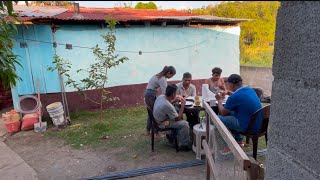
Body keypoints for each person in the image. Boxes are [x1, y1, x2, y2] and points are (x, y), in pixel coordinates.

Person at [215, 74, 262, 154]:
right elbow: (239, 97)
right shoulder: (249, 89)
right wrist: (229, 92)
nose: (227, 86)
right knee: (232, 113)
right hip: (257, 123)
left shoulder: (235, 97)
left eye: (227, 84)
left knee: (217, 119)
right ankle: (239, 141)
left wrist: (219, 100)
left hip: (247, 126)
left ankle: (231, 145)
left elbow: (223, 112)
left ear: (232, 84)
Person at [153, 84, 192, 151]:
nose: (177, 94)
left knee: (176, 110)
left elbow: (168, 105)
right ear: (173, 94)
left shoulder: (161, 96)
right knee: (184, 124)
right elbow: (178, 118)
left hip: (157, 119)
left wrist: (174, 101)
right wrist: (182, 105)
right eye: (176, 93)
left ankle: (172, 136)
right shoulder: (167, 105)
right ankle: (184, 145)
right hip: (162, 123)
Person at [144, 66, 176, 137]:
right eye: (172, 75)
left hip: (149, 93)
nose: (171, 77)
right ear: (168, 73)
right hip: (150, 94)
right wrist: (174, 98)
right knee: (153, 113)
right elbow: (166, 92)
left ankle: (148, 131)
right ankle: (155, 132)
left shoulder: (158, 75)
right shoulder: (162, 79)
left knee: (151, 113)